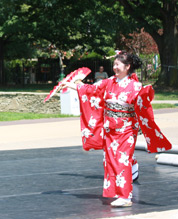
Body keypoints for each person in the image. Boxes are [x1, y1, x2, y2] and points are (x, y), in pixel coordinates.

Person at [63, 51, 171, 207]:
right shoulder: (109, 82)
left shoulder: (135, 86)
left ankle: (125, 196)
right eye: (114, 64)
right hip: (110, 128)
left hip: (126, 129)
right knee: (110, 160)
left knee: (122, 160)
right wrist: (74, 85)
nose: (114, 67)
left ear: (127, 67)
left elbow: (141, 106)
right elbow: (91, 90)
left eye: (118, 65)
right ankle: (117, 190)